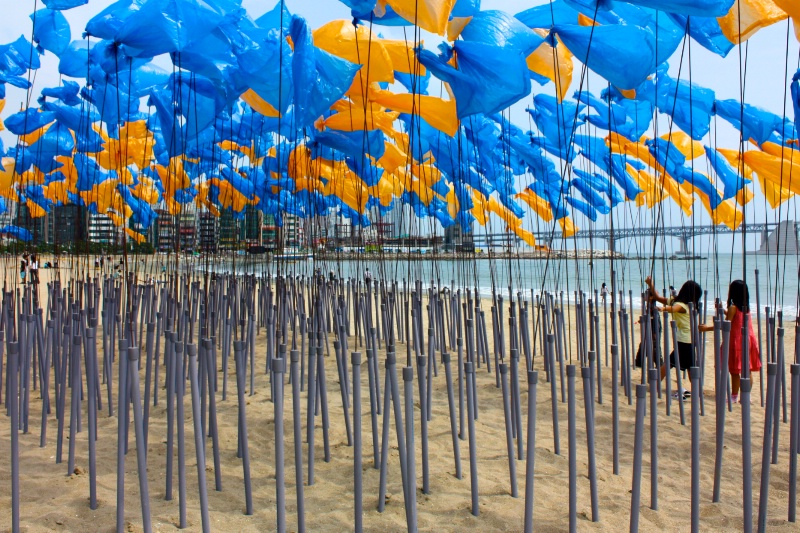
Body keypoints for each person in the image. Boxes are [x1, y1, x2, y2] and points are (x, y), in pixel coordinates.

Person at [699, 280, 761, 403]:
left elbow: (725, 325)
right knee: (746, 369)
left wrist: (707, 328)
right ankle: (745, 395)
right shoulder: (746, 308)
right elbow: (735, 318)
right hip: (748, 340)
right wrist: (723, 310)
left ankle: (734, 396)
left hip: (736, 341)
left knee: (734, 371)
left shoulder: (733, 307)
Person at [646, 276, 702, 400]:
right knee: (684, 365)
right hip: (685, 340)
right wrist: (651, 284)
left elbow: (673, 308)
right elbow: (658, 298)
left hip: (686, 339)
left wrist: (663, 308)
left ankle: (655, 383)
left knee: (677, 364)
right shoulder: (678, 302)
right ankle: (655, 383)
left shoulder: (683, 306)